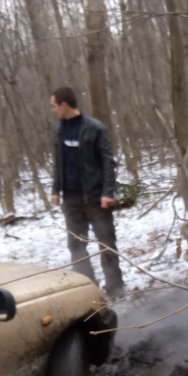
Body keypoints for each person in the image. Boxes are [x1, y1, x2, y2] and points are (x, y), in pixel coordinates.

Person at [49, 86, 124, 299]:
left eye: (54, 106)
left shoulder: (94, 128)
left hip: (95, 198)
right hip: (71, 199)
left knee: (107, 245)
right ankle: (88, 289)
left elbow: (108, 162)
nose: (53, 110)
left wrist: (108, 192)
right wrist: (56, 189)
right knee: (76, 246)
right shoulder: (58, 130)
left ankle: (115, 288)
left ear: (64, 105)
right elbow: (58, 162)